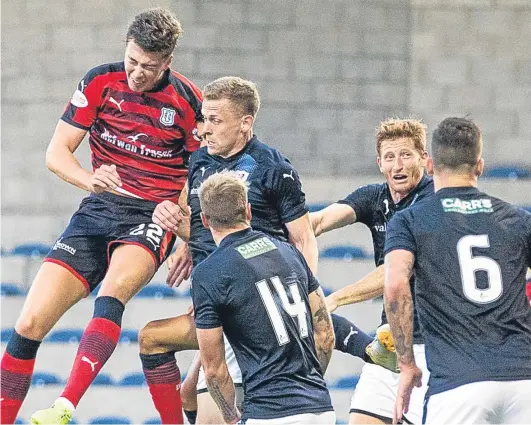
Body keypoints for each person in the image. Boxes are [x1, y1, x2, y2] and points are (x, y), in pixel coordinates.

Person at [0, 8, 202, 425]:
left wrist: (187, 231)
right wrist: (89, 179)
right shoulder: (99, 82)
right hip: (97, 207)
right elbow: (56, 153)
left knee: (112, 294)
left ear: (167, 62)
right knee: (29, 322)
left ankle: (66, 405)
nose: (137, 73)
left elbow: (199, 174)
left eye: (148, 67)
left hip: (152, 214)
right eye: (132, 61)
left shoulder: (188, 102)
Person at [138, 76, 320, 424]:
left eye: (215, 120)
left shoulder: (272, 168)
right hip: (214, 295)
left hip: (251, 305)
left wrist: (302, 301)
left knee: (167, 354)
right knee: (178, 378)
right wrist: (183, 242)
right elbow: (200, 218)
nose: (204, 130)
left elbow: (304, 240)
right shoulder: (200, 163)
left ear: (245, 123)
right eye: (203, 119)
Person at [384, 117, 531, 424]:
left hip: (458, 385)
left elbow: (396, 286)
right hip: (523, 381)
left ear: (429, 164)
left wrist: (407, 363)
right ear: (479, 166)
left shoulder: (411, 220)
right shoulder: (517, 219)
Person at [310, 118, 432, 424]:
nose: (398, 165)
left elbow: (396, 274)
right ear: (379, 163)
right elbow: (320, 221)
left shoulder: (433, 202)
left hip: (432, 346)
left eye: (406, 155)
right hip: (392, 341)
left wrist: (336, 298)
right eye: (390, 157)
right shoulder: (374, 197)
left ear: (424, 158)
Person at [192, 171, 336, 424]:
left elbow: (214, 371)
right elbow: (325, 336)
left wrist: (230, 416)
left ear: (204, 220)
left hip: (268, 413)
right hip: (320, 409)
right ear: (248, 211)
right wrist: (311, 386)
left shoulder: (208, 273)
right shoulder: (290, 253)